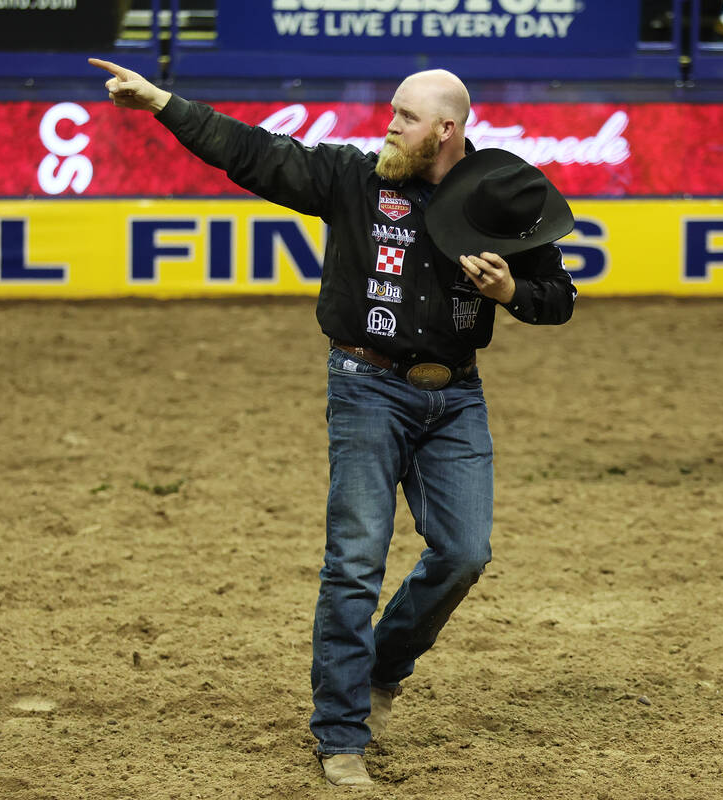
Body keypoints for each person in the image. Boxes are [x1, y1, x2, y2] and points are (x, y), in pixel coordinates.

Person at [88, 57, 577, 787]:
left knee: (465, 554)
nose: (390, 123)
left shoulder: (500, 193)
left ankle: (382, 668)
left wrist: (513, 291)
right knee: (354, 562)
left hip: (457, 398)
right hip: (365, 387)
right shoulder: (354, 178)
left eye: (406, 117)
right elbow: (254, 154)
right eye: (393, 111)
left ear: (445, 130)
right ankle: (341, 734)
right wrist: (163, 102)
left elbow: (558, 295)